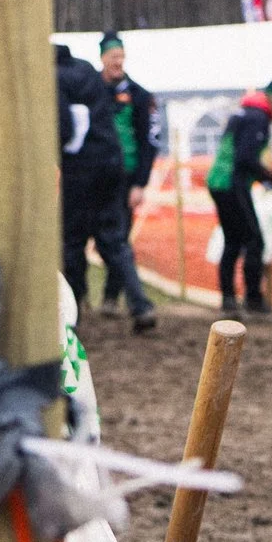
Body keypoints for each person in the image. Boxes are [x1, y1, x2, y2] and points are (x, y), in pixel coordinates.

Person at [57, 42, 152, 332]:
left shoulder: (54, 77)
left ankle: (74, 314)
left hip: (81, 170)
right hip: (113, 165)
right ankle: (141, 305)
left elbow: (65, 126)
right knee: (114, 239)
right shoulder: (85, 71)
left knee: (73, 242)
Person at [206, 77, 272, 318]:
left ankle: (228, 300)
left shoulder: (244, 112)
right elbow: (245, 158)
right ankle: (253, 300)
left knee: (233, 240)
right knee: (254, 240)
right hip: (231, 183)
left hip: (219, 181)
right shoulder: (258, 118)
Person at [96, 32, 161, 324]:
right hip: (95, 177)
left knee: (117, 238)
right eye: (112, 57)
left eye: (121, 57)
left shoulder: (139, 95)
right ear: (103, 59)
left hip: (125, 177)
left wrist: (140, 183)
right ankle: (96, 300)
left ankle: (116, 299)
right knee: (105, 239)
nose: (117, 62)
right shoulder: (91, 90)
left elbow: (150, 142)